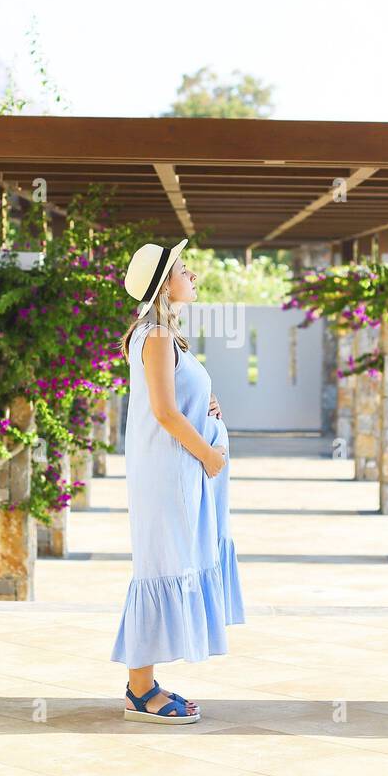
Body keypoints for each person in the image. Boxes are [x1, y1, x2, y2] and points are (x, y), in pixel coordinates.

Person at [111, 238, 245, 724]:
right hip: (170, 472)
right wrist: (209, 453)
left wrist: (209, 407)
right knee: (158, 566)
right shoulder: (157, 336)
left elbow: (174, 401)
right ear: (164, 284)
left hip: (175, 469)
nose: (194, 277)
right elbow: (165, 413)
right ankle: (140, 689)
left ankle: (142, 683)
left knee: (164, 563)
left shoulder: (160, 334)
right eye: (185, 270)